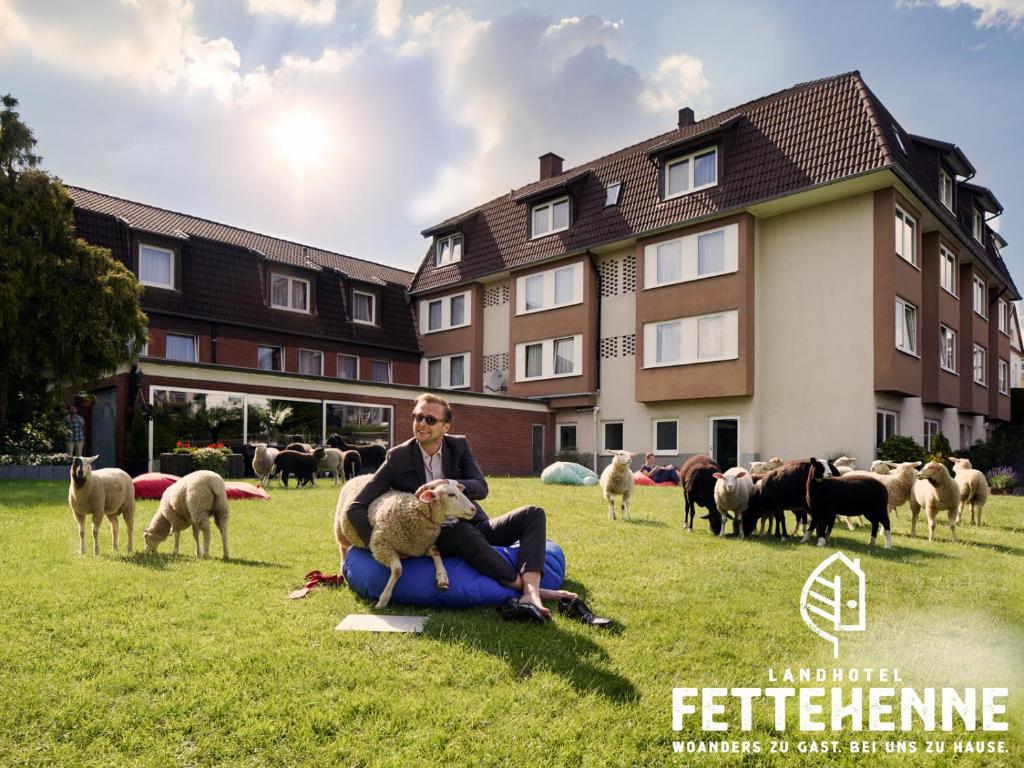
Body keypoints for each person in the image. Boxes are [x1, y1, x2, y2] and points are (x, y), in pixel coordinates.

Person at [346, 393, 609, 625]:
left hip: (474, 520)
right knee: (462, 534)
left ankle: (531, 592)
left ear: (446, 426)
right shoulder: (398, 456)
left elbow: (481, 487)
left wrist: (450, 483)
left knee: (533, 513)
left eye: (430, 419)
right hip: (436, 534)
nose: (421, 424)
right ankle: (529, 591)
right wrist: (381, 545)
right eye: (417, 417)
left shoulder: (458, 445)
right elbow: (356, 507)